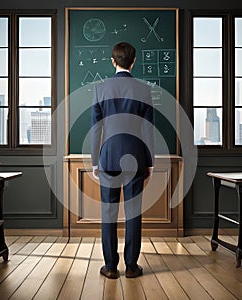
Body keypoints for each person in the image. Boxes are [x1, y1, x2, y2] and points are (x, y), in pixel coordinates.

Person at [91, 42, 155, 279]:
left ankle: (109, 267)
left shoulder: (100, 88)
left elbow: (95, 129)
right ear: (134, 61)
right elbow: (149, 130)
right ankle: (131, 266)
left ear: (113, 61)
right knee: (133, 213)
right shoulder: (144, 89)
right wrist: (149, 162)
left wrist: (94, 162)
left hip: (108, 158)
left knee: (108, 213)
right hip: (136, 158)